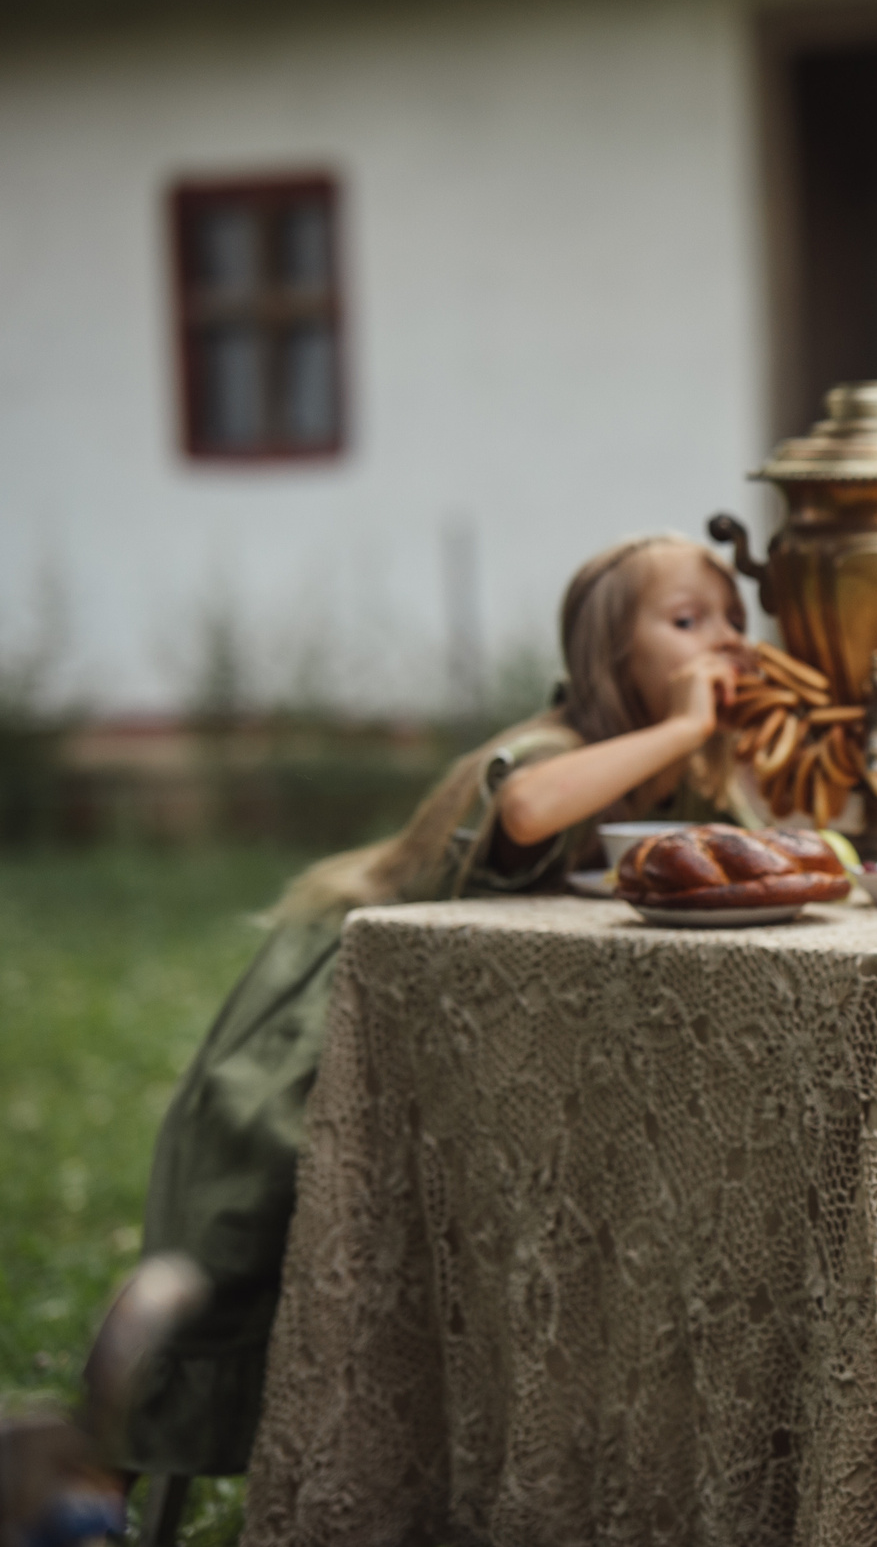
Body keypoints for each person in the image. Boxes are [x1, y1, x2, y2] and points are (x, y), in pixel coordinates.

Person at [105, 532, 757, 1480]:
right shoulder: (556, 746)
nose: (725, 641)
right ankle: (137, 1440)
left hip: (484, 1022)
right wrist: (685, 727)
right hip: (339, 998)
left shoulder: (681, 774)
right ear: (609, 658)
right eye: (689, 620)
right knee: (261, 1210)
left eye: (735, 618)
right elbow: (529, 809)